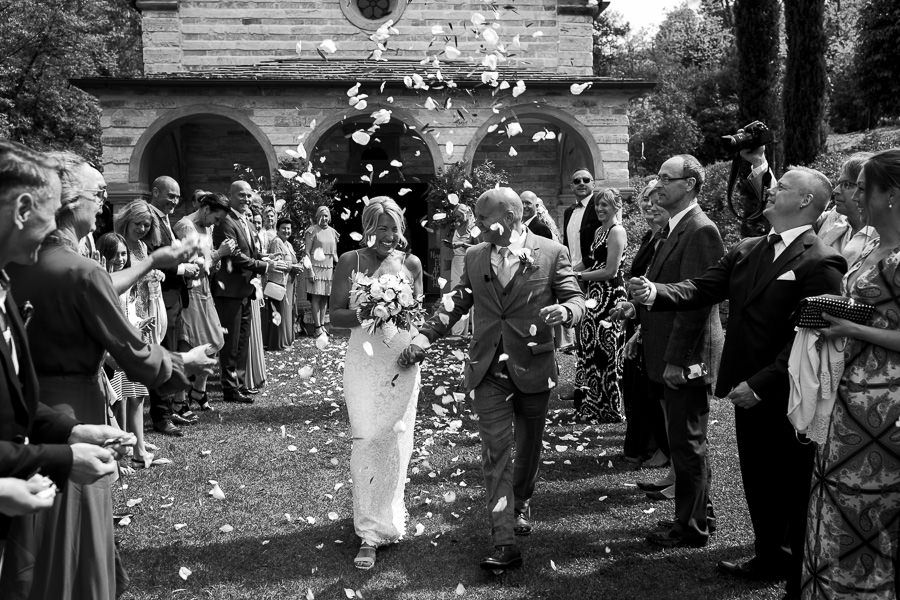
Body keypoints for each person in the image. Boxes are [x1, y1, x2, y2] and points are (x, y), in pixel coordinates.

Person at [622, 165, 845, 598]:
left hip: (787, 389)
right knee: (756, 476)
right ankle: (767, 557)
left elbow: (814, 338)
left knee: (791, 483)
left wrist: (762, 382)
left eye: (781, 187)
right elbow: (701, 288)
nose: (769, 190)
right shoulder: (747, 249)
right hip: (744, 387)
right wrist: (655, 293)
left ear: (804, 202)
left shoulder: (822, 261)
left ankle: (797, 570)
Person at [4, 151, 216, 600]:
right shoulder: (78, 271)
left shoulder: (23, 266)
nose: (105, 203)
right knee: (71, 524)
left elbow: (100, 282)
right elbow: (133, 351)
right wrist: (183, 364)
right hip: (70, 406)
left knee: (33, 530)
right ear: (63, 202)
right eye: (99, 193)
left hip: (30, 413)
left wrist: (154, 259)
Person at [400, 188, 585, 570]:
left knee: (529, 449)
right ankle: (505, 541)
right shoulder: (474, 255)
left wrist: (566, 311)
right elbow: (455, 302)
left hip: (534, 367)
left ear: (513, 215)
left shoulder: (551, 252)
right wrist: (424, 335)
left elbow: (576, 298)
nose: (477, 224)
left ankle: (522, 499)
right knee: (495, 453)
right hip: (487, 371)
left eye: (483, 218)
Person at [0, 140, 123, 572]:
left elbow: (15, 401)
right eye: (52, 214)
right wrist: (63, 457)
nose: (58, 228)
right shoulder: (65, 268)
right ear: (22, 210)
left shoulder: (8, 281)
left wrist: (70, 433)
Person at [802, 148, 900, 600]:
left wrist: (849, 325)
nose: (855, 195)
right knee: (835, 504)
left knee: (864, 511)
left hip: (882, 403)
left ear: (892, 195)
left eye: (864, 188)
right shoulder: (872, 243)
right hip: (848, 392)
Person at [622, 154, 725, 549]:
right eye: (658, 177)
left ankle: (690, 527)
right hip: (665, 348)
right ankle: (702, 512)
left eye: (667, 178)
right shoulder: (675, 226)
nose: (659, 184)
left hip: (685, 358)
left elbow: (697, 302)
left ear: (691, 184)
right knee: (684, 441)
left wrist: (678, 360)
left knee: (687, 444)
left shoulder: (700, 230)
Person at [329, 197, 424, 571]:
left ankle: (385, 517)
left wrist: (416, 347)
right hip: (364, 358)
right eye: (380, 227)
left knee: (397, 438)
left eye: (394, 227)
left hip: (401, 359)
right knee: (367, 436)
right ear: (368, 227)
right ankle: (368, 529)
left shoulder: (411, 264)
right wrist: (369, 309)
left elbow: (416, 317)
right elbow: (335, 315)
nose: (388, 235)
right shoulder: (350, 261)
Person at [211, 181, 283, 404]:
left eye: (249, 196)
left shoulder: (248, 223)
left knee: (242, 340)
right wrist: (264, 267)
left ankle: (240, 383)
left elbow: (252, 251)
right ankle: (229, 387)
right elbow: (235, 256)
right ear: (230, 196)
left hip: (245, 289)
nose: (246, 199)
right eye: (241, 195)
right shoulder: (225, 222)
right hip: (229, 290)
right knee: (230, 341)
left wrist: (267, 259)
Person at [146, 175, 201, 433]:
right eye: (170, 195)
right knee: (164, 354)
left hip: (174, 297)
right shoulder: (148, 218)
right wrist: (182, 268)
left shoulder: (165, 220)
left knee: (172, 353)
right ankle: (161, 416)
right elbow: (153, 258)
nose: (175, 201)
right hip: (161, 295)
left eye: (178, 196)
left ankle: (168, 409)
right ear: (155, 192)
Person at [621, 182, 670, 468]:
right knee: (640, 387)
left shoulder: (669, 239)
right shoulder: (648, 238)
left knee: (654, 390)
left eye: (657, 202)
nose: (650, 207)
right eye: (646, 202)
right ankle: (648, 444)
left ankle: (661, 447)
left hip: (654, 318)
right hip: (638, 314)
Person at [96, 232, 155, 469]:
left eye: (123, 254)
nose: (120, 259)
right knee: (118, 401)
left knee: (137, 395)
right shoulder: (105, 280)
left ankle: (137, 447)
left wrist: (140, 323)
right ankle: (123, 454)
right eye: (115, 254)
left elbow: (127, 313)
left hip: (129, 339)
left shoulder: (125, 280)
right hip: (115, 346)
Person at [174, 192, 235, 410]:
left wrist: (216, 261)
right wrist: (220, 253)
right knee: (188, 345)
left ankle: (199, 390)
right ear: (207, 209)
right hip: (189, 292)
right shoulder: (185, 226)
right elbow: (194, 263)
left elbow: (207, 263)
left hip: (205, 289)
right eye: (216, 219)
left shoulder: (207, 228)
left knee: (215, 340)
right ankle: (180, 398)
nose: (216, 224)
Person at [572, 188, 627, 423]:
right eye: (597, 205)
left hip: (611, 296)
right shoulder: (598, 231)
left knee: (608, 349)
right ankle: (591, 403)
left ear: (616, 206)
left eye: (605, 205)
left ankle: (610, 408)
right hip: (593, 296)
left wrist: (581, 277)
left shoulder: (617, 232)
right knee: (590, 348)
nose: (600, 209)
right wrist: (566, 271)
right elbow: (590, 261)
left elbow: (610, 270)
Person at [816, 152, 878, 268]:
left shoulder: (883, 235)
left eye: (847, 185)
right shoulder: (832, 217)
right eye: (839, 184)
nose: (835, 191)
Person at [264, 217, 304, 351]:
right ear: (278, 229)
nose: (287, 231)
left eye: (289, 228)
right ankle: (277, 343)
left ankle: (286, 340)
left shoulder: (288, 244)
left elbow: (291, 261)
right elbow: (277, 263)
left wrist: (298, 265)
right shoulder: (276, 242)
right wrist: (292, 267)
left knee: (287, 312)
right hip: (279, 283)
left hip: (289, 283)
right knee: (279, 312)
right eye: (284, 228)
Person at [304, 206, 339, 338]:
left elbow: (334, 253)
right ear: (317, 216)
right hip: (315, 268)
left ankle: (323, 326)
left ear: (329, 217)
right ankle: (317, 327)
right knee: (316, 297)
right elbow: (306, 252)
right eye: (321, 215)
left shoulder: (333, 232)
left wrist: (340, 266)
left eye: (326, 215)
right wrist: (310, 271)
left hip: (328, 269)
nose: (324, 218)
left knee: (325, 298)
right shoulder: (311, 231)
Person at [244, 203, 267, 392]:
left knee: (255, 329)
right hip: (246, 284)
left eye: (256, 220)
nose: (254, 223)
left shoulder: (254, 235)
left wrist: (268, 258)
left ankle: (257, 373)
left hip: (256, 283)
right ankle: (247, 378)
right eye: (250, 218)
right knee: (248, 333)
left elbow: (257, 256)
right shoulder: (243, 233)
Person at [446, 204, 475, 337]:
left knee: (470, 295)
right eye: (455, 215)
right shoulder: (457, 228)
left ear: (468, 214)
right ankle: (458, 332)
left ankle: (475, 332)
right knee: (456, 296)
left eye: (459, 215)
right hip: (456, 262)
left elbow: (480, 246)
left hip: (469, 263)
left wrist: (463, 244)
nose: (457, 218)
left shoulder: (474, 229)